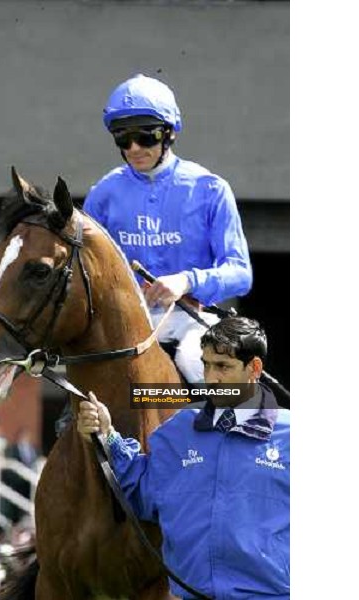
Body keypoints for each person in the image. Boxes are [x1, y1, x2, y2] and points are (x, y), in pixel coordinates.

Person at [77, 317, 289, 599]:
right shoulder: (179, 429)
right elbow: (143, 492)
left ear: (254, 368)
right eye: (206, 364)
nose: (211, 378)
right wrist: (108, 437)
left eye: (223, 366)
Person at [83, 74, 252, 383]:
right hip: (123, 323)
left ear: (169, 133)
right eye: (123, 138)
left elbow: (241, 273)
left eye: (145, 136)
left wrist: (186, 281)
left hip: (192, 321)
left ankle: (218, 431)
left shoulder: (210, 189)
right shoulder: (102, 194)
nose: (134, 147)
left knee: (198, 364)